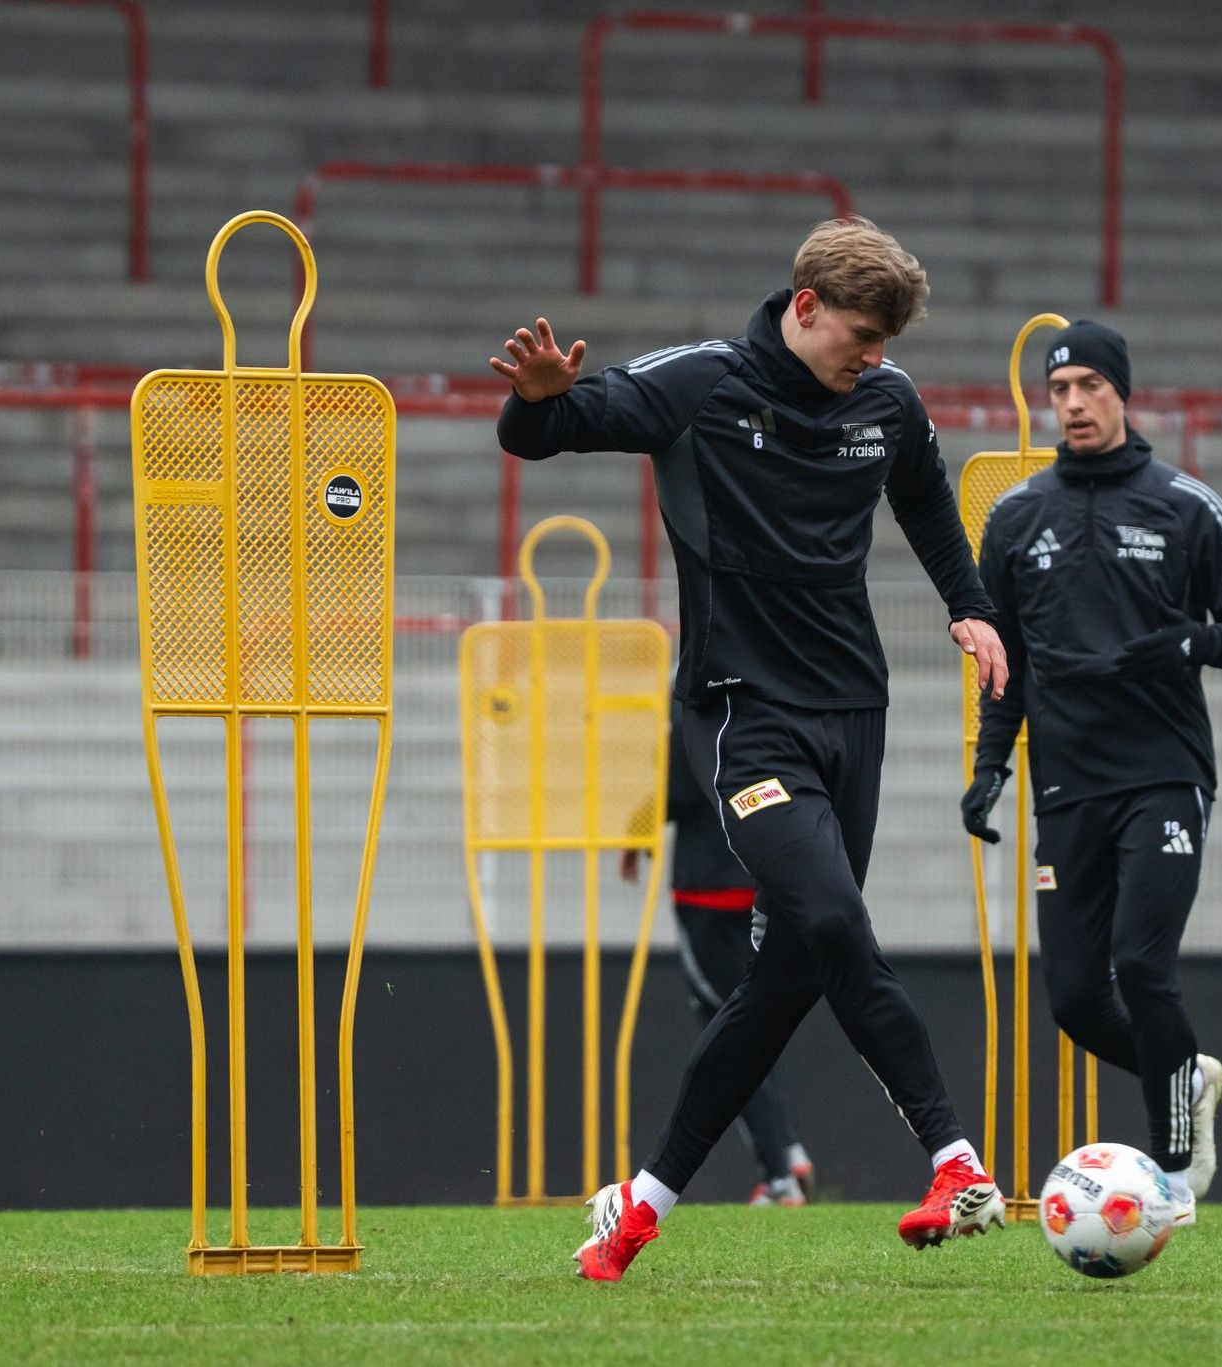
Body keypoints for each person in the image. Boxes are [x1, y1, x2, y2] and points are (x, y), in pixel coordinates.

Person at [492, 217, 1011, 1282]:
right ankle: (957, 1158)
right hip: (743, 710)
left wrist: (969, 606)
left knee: (785, 977)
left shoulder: (889, 401)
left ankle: (637, 1204)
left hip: (853, 714)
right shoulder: (700, 383)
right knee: (827, 917)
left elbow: (923, 494)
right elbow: (544, 432)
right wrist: (537, 393)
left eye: (886, 342)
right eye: (860, 335)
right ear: (805, 305)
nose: (873, 356)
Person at [961, 320, 1222, 1225]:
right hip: (1068, 786)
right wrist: (992, 766)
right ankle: (1186, 1074)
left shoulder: (1186, 504)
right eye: (1060, 389)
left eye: (1090, 387)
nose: (1073, 403)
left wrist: (1190, 638)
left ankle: (1175, 1174)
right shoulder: (1017, 518)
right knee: (1074, 998)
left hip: (1163, 776)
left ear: (1121, 395)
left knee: (1142, 966)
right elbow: (1006, 663)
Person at [619, 701, 815, 1207]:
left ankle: (779, 1175)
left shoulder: (691, 697)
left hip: (704, 887)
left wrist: (636, 824)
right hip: (757, 878)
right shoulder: (760, 691)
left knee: (728, 1029)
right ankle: (788, 1148)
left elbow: (680, 788)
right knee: (756, 1016)